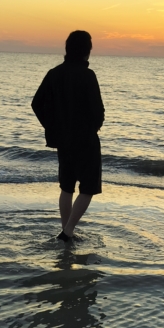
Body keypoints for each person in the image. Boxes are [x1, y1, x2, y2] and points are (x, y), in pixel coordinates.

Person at [32, 31, 105, 244]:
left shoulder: (54, 73)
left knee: (67, 187)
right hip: (86, 141)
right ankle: (68, 231)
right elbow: (98, 110)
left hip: (63, 140)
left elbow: (37, 103)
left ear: (67, 48)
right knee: (89, 187)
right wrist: (94, 126)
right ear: (87, 51)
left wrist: (53, 126)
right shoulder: (88, 76)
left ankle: (67, 232)